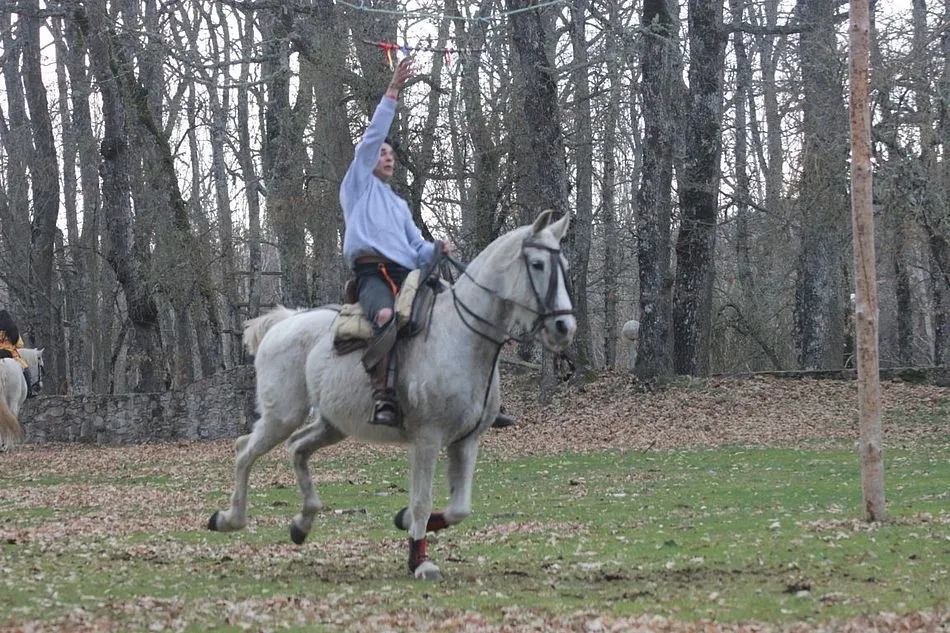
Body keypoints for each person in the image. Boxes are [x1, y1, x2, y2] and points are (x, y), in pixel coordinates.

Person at [340, 57, 515, 430]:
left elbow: (415, 247)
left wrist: (436, 249)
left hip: (409, 274)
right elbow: (372, 138)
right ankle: (384, 396)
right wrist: (393, 91)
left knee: (465, 311)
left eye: (391, 154)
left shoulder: (399, 204)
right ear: (369, 160)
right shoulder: (357, 186)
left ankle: (485, 401)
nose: (387, 157)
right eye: (381, 154)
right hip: (373, 275)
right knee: (385, 317)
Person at [0, 309, 33, 398]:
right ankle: (29, 390)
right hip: (10, 354)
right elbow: (20, 344)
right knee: (26, 369)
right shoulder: (12, 329)